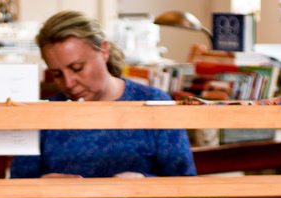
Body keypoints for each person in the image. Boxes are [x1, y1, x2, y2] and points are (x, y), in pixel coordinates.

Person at [10, 11, 195, 179]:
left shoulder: (155, 104)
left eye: (77, 68)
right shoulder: (43, 114)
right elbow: (16, 189)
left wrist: (144, 182)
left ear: (104, 51)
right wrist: (42, 185)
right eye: (57, 74)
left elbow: (185, 183)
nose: (68, 83)